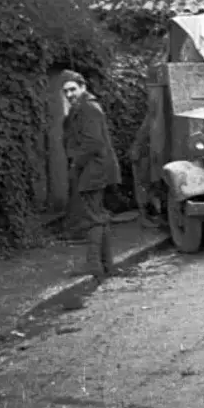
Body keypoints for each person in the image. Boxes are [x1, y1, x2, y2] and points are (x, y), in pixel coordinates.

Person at [62, 70, 121, 280]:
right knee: (99, 216)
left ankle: (94, 264)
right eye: (66, 91)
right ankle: (106, 265)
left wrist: (75, 164)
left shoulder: (88, 108)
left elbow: (93, 143)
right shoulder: (84, 107)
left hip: (93, 170)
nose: (69, 94)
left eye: (73, 89)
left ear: (83, 87)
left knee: (93, 217)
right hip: (96, 169)